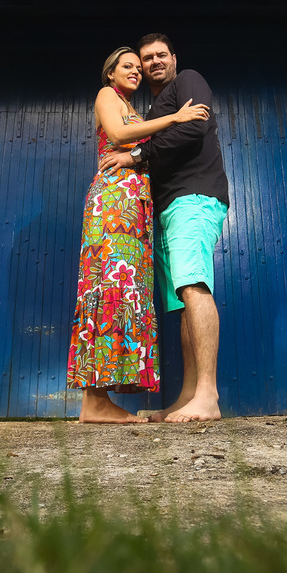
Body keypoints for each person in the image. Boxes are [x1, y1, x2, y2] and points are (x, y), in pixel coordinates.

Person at [67, 46, 210, 424]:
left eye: (137, 67)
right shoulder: (107, 95)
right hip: (114, 203)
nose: (134, 71)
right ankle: (94, 401)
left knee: (125, 293)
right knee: (106, 288)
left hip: (134, 209)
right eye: (126, 66)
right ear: (110, 74)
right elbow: (117, 134)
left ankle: (97, 402)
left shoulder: (134, 108)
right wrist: (174, 118)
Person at [98, 34, 229, 423]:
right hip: (168, 207)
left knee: (194, 285)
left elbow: (193, 129)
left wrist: (136, 155)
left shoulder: (188, 80)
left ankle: (208, 395)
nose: (153, 62)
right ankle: (187, 397)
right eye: (146, 58)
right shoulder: (153, 110)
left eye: (160, 55)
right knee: (182, 299)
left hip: (194, 196)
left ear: (173, 57)